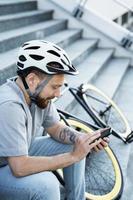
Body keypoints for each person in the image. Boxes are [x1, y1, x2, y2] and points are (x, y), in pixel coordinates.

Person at [0, 40, 109, 200]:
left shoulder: (36, 94)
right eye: (55, 87)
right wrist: (73, 157)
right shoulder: (9, 105)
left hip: (17, 154)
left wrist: (82, 139)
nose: (58, 94)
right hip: (7, 165)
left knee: (75, 144)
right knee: (47, 184)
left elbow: (55, 128)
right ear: (32, 80)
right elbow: (19, 167)